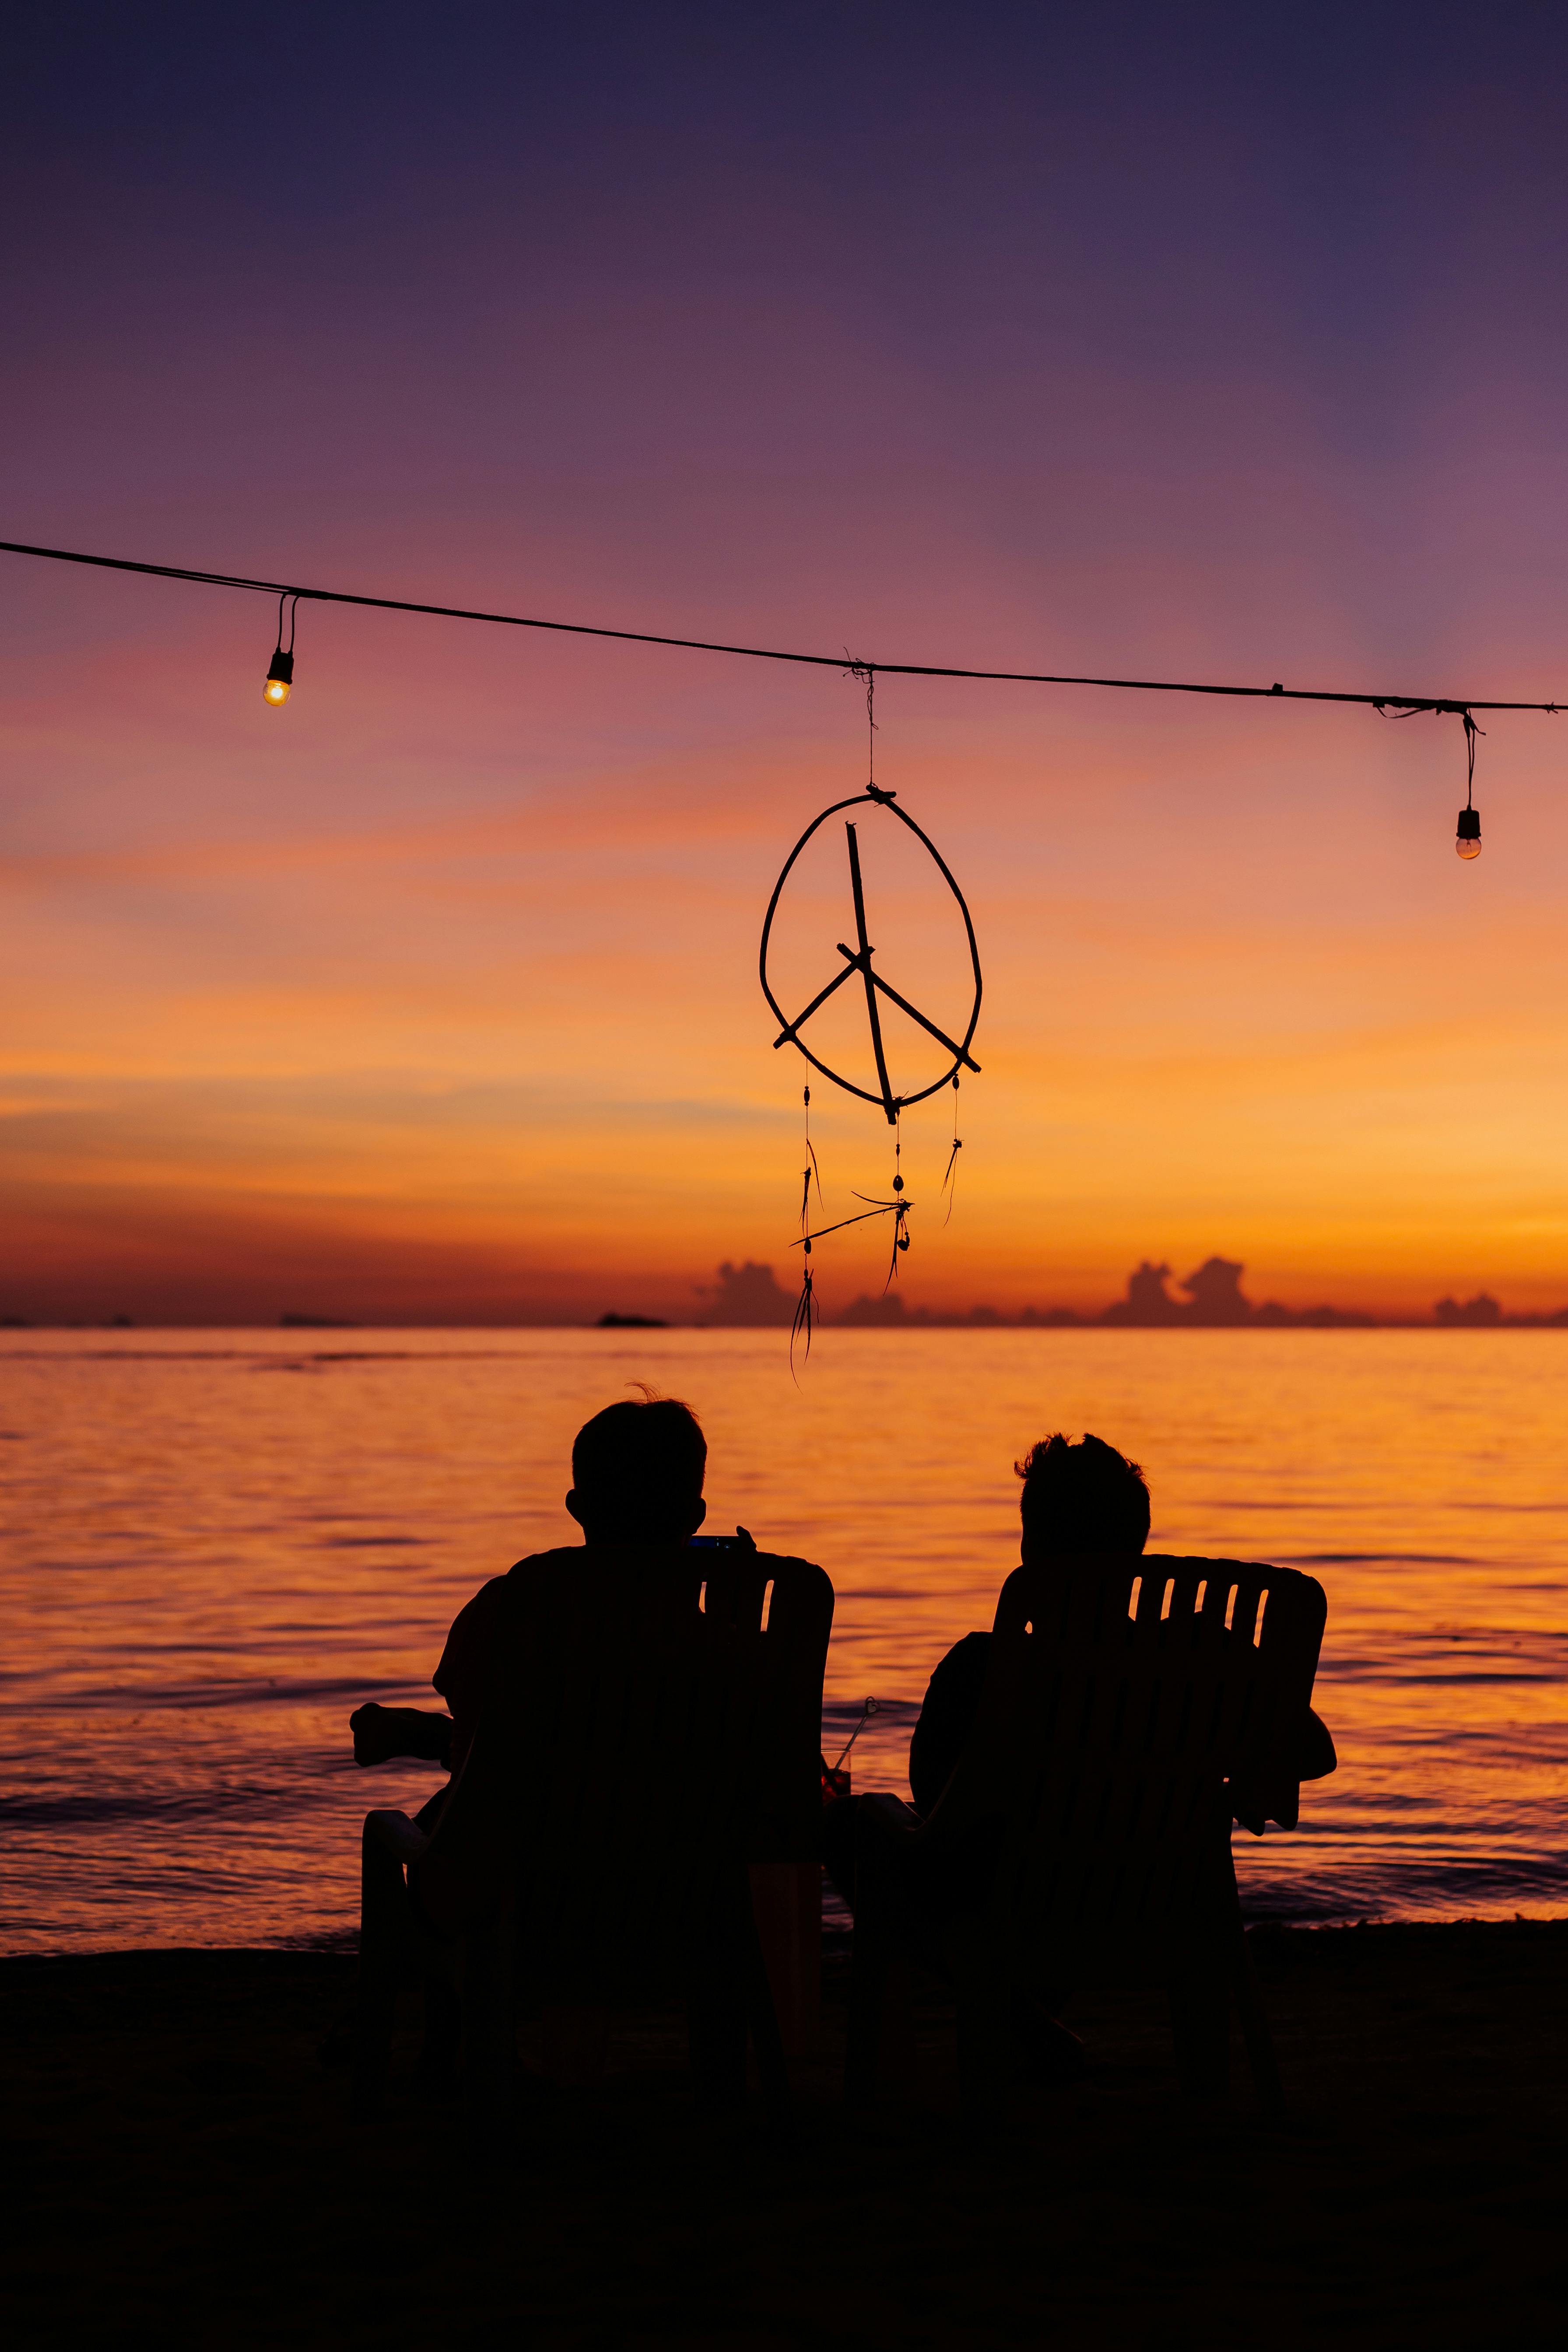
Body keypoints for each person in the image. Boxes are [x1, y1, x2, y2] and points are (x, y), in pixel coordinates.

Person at [908, 1429, 1335, 1825]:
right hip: (1166, 1898)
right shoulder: (1201, 1657)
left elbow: (932, 1803)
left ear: (1029, 1550)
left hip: (1017, 1900)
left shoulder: (980, 1669)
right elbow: (1315, 1753)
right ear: (1135, 1553)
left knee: (847, 1821)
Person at [348, 1391, 711, 1800]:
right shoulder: (732, 1643)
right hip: (682, 1855)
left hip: (526, 1853)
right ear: (696, 1517)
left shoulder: (510, 1604)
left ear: (577, 1508)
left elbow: (464, 1701)